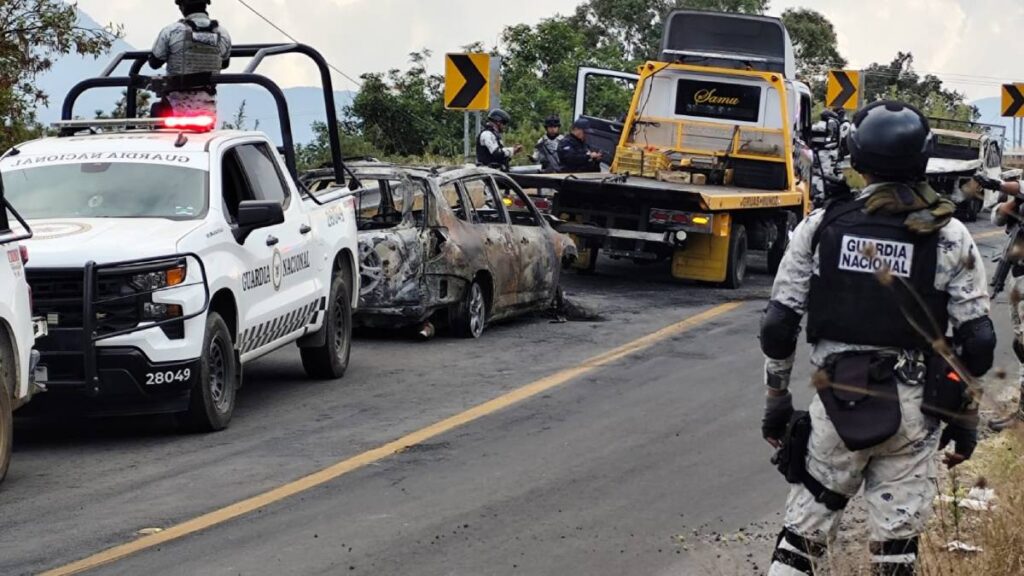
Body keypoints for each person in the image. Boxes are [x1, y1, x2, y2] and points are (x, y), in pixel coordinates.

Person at [760, 101, 995, 576]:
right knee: (895, 552)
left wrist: (777, 399)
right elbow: (979, 343)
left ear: (856, 155)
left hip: (837, 404)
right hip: (915, 411)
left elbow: (779, 326)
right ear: (923, 156)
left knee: (802, 541)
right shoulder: (949, 235)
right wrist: (966, 417)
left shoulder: (821, 225)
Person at [974, 173, 1024, 431]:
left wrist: (1002, 186)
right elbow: (997, 217)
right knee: (1020, 343)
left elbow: (1017, 186)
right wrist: (1014, 202)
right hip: (1018, 277)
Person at [149, 0, 232, 117]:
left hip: (173, 107)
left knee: (156, 110)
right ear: (205, 5)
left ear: (182, 6)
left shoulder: (171, 31)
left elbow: (154, 63)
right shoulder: (223, 34)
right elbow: (224, 64)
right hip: (207, 109)